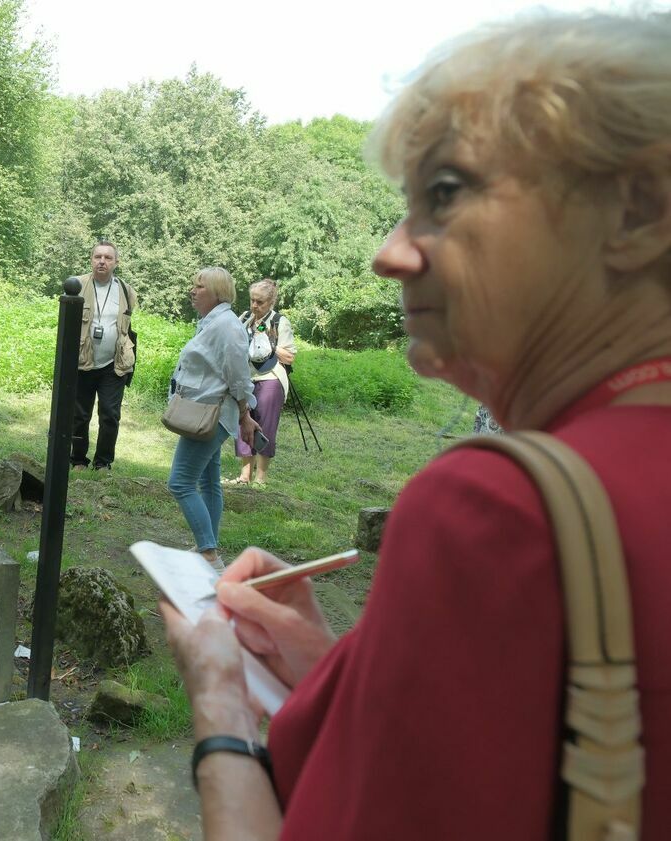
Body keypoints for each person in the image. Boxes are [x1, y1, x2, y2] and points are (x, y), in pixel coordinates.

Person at [162, 10, 671, 839]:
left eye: (445, 192)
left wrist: (219, 700)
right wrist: (351, 667)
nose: (390, 254)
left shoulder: (496, 509)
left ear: (638, 209)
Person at [166, 267, 260, 571]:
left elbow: (239, 377)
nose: (193, 291)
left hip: (211, 415)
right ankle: (207, 547)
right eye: (193, 285)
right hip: (203, 411)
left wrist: (245, 416)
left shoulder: (227, 327)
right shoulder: (212, 322)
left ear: (218, 292)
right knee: (208, 482)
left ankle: (208, 553)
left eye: (199, 286)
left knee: (180, 482)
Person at [70, 240, 137, 472]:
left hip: (114, 363)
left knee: (110, 415)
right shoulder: (76, 285)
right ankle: (78, 460)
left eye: (108, 258)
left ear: (116, 262)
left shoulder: (127, 291)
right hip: (82, 362)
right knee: (79, 415)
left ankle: (103, 463)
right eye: (98, 256)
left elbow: (127, 327)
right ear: (91, 259)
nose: (102, 261)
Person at [231, 279, 296, 486]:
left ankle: (260, 478)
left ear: (271, 302)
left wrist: (269, 342)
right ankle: (244, 476)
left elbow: (289, 357)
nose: (254, 305)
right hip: (246, 377)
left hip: (270, 379)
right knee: (242, 421)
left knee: (265, 426)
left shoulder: (279, 321)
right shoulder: (245, 318)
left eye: (260, 302)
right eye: (252, 300)